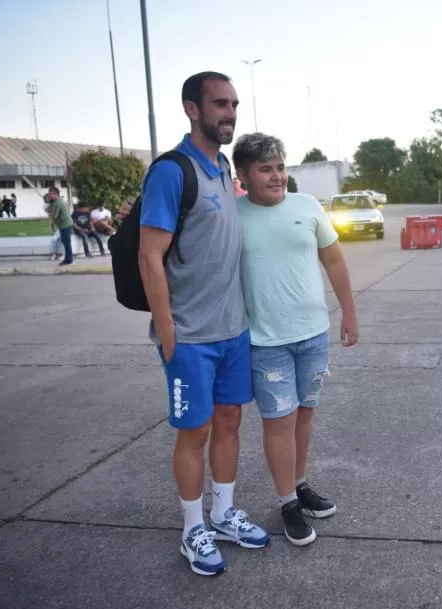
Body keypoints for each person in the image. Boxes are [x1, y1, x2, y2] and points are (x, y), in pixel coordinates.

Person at [138, 71, 269, 576]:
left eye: (234, 103)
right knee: (194, 432)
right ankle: (192, 527)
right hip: (190, 336)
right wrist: (169, 333)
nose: (230, 112)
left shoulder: (221, 167)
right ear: (192, 108)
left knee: (230, 422)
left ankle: (222, 512)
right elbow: (151, 258)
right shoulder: (173, 170)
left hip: (233, 331)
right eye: (219, 103)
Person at [232, 132, 359, 547]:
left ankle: (300, 483)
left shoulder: (308, 207)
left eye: (281, 167)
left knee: (305, 413)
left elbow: (334, 259)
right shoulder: (232, 216)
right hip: (265, 342)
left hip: (313, 335)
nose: (277, 177)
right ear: (244, 176)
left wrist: (349, 313)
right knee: (279, 422)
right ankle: (287, 501)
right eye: (266, 169)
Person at [44, 188, 74, 265]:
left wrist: (49, 213)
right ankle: (68, 259)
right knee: (66, 242)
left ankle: (69, 260)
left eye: (50, 194)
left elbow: (55, 216)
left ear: (55, 194)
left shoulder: (57, 203)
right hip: (65, 224)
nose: (49, 196)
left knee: (66, 243)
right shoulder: (57, 201)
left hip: (65, 224)